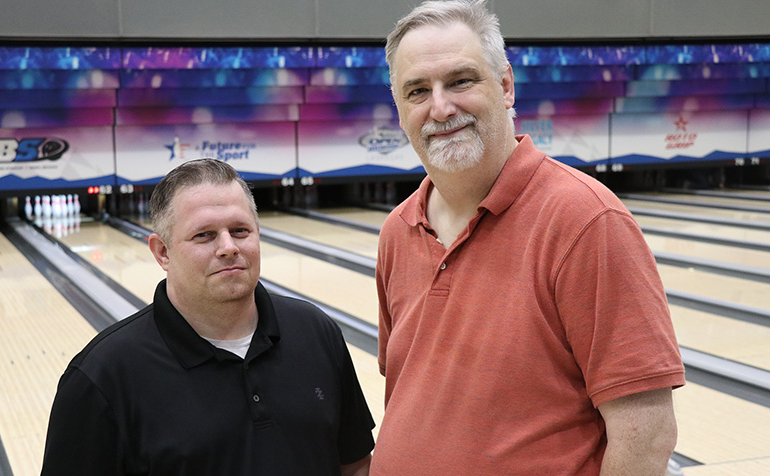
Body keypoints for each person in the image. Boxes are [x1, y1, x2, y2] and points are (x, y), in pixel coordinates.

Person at [373, 1, 685, 475]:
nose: (441, 106)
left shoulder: (586, 222)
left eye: (460, 81)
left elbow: (646, 434)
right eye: (417, 90)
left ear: (505, 86)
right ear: (400, 111)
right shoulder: (398, 230)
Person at [41, 158, 375, 476]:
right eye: (205, 235)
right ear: (163, 252)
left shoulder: (316, 332)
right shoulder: (101, 378)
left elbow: (356, 464)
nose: (228, 246)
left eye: (240, 230)